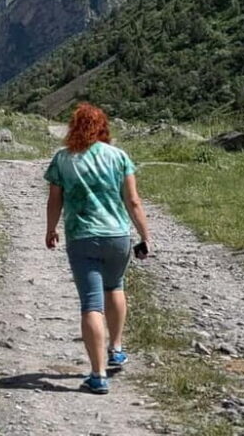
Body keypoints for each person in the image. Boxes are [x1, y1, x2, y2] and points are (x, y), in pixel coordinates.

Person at [44, 103, 151, 395]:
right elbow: (134, 201)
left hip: (82, 238)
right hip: (118, 236)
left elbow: (55, 200)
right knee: (115, 287)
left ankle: (98, 374)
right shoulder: (119, 157)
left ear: (73, 128)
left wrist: (51, 228)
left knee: (92, 304)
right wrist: (145, 235)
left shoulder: (62, 160)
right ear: (103, 128)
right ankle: (116, 348)